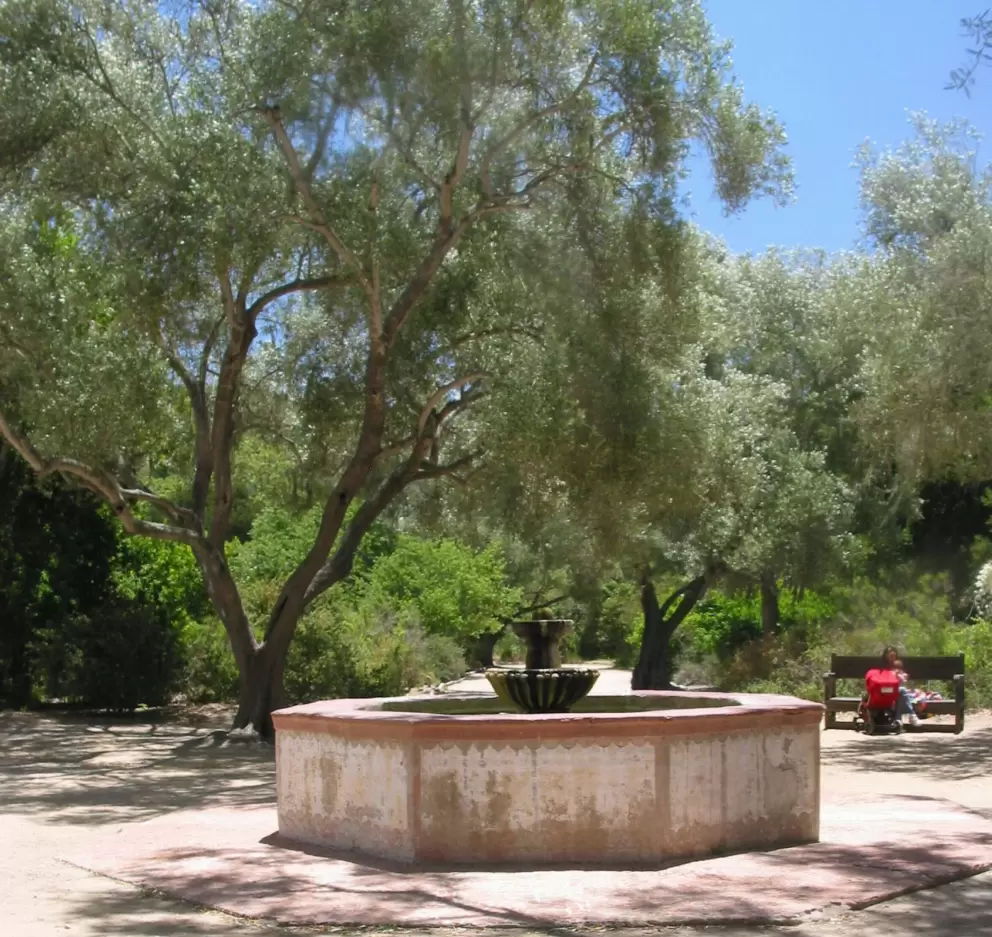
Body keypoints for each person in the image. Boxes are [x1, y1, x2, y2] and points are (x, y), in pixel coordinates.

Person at [881, 646, 920, 726]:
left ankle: (897, 719)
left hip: (898, 691)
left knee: (902, 694)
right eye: (890, 655)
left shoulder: (898, 665)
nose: (892, 657)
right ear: (886, 656)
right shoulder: (883, 667)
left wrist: (903, 677)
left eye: (893, 655)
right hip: (887, 690)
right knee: (902, 691)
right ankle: (912, 715)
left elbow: (905, 680)